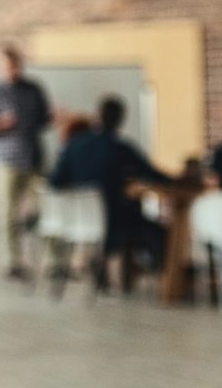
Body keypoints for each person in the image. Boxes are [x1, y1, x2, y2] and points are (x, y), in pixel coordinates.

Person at [47, 95, 169, 291]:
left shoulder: (74, 145)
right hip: (113, 224)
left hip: (77, 221)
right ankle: (165, 282)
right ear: (121, 120)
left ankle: (104, 273)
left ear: (97, 116)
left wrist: (77, 188)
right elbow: (152, 174)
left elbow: (54, 182)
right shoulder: (120, 148)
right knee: (156, 231)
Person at [0, 43, 51, 282]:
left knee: (46, 210)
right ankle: (12, 262)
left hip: (34, 159)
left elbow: (44, 120)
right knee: (7, 215)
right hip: (6, 162)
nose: (11, 70)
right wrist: (0, 124)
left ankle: (53, 262)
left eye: (15, 66)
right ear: (0, 68)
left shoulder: (33, 89)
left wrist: (55, 117)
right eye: (7, 67)